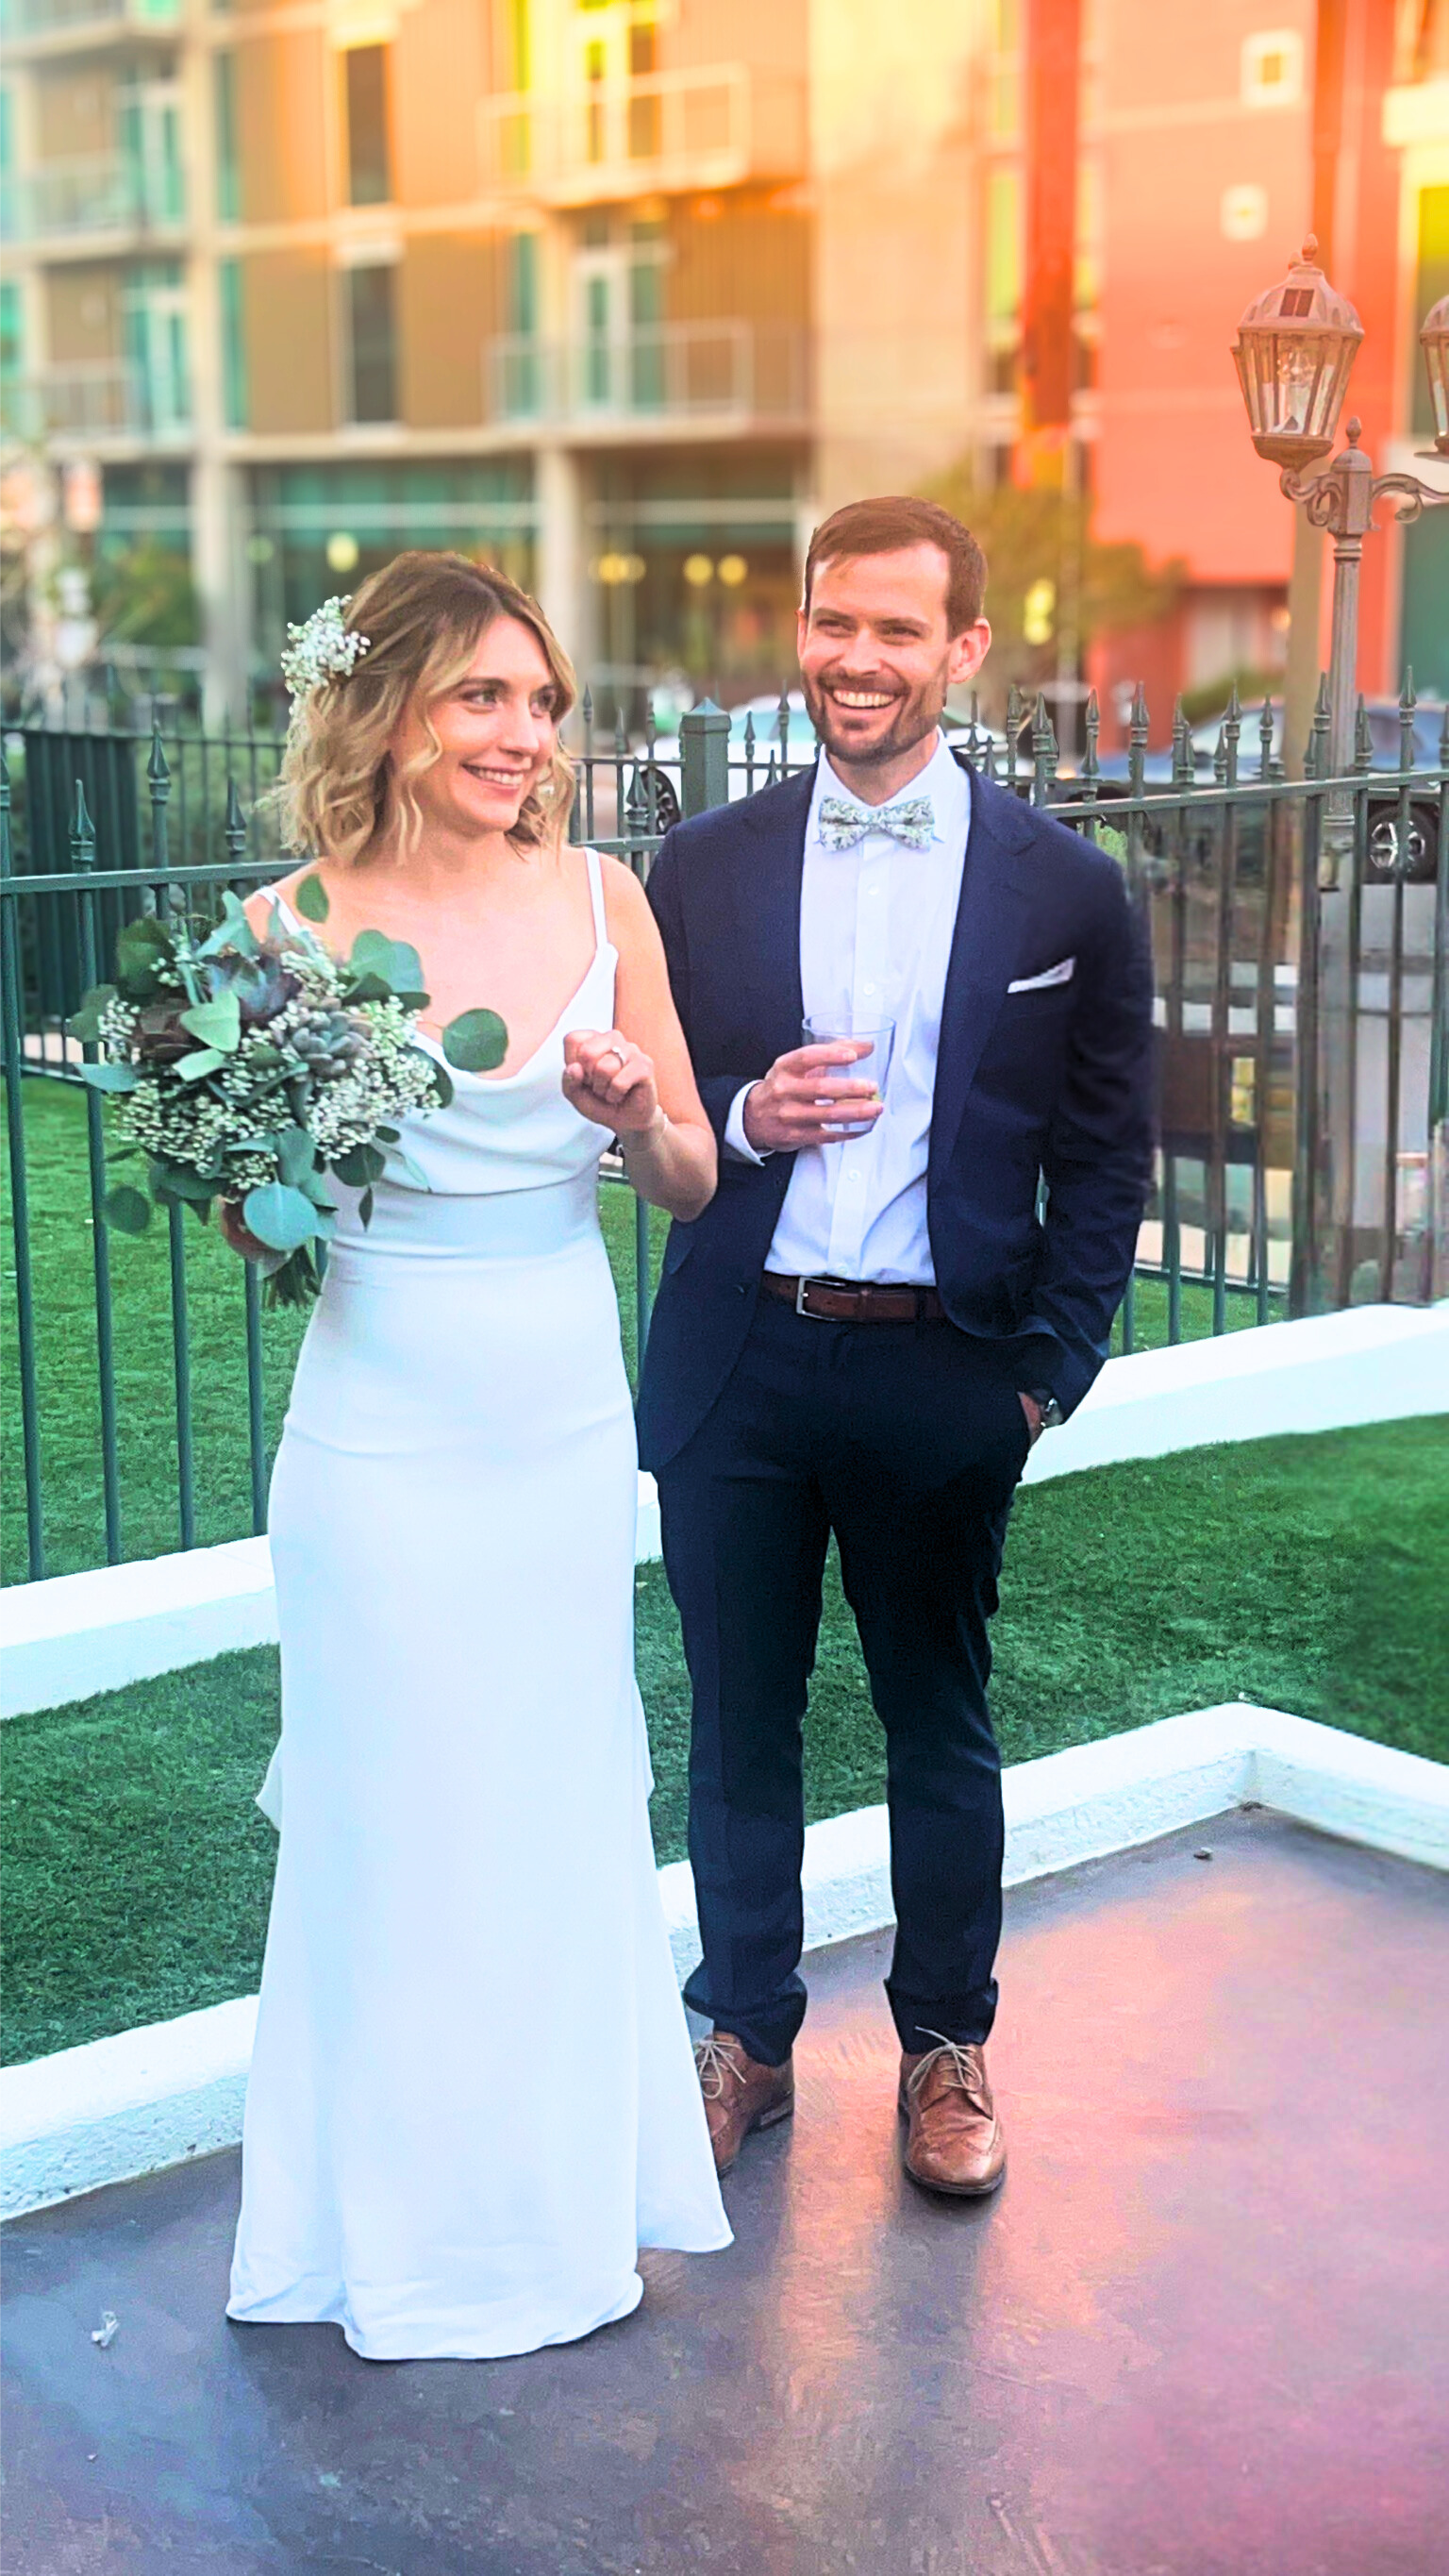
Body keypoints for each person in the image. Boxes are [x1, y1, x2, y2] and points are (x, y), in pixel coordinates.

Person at [225, 553, 730, 2362]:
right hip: (375, 1424)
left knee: (544, 1794)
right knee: (390, 1804)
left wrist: (632, 1120)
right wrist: (271, 1151)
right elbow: (255, 1235)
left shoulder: (609, 896)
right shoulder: (273, 933)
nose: (524, 734)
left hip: (556, 1413)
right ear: (386, 713)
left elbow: (692, 1178)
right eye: (480, 698)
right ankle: (383, 2232)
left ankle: (547, 2220)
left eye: (540, 700)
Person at [639, 496, 1155, 2198]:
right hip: (744, 1360)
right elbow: (658, 1108)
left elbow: (1104, 1151)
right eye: (832, 623)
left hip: (947, 1368)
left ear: (964, 650)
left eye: (895, 630)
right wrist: (741, 1111)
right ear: (802, 630)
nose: (857, 659)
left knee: (938, 1717)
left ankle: (945, 2046)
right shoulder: (698, 867)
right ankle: (747, 2035)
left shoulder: (1069, 887)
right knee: (739, 1720)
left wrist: (1043, 1371)